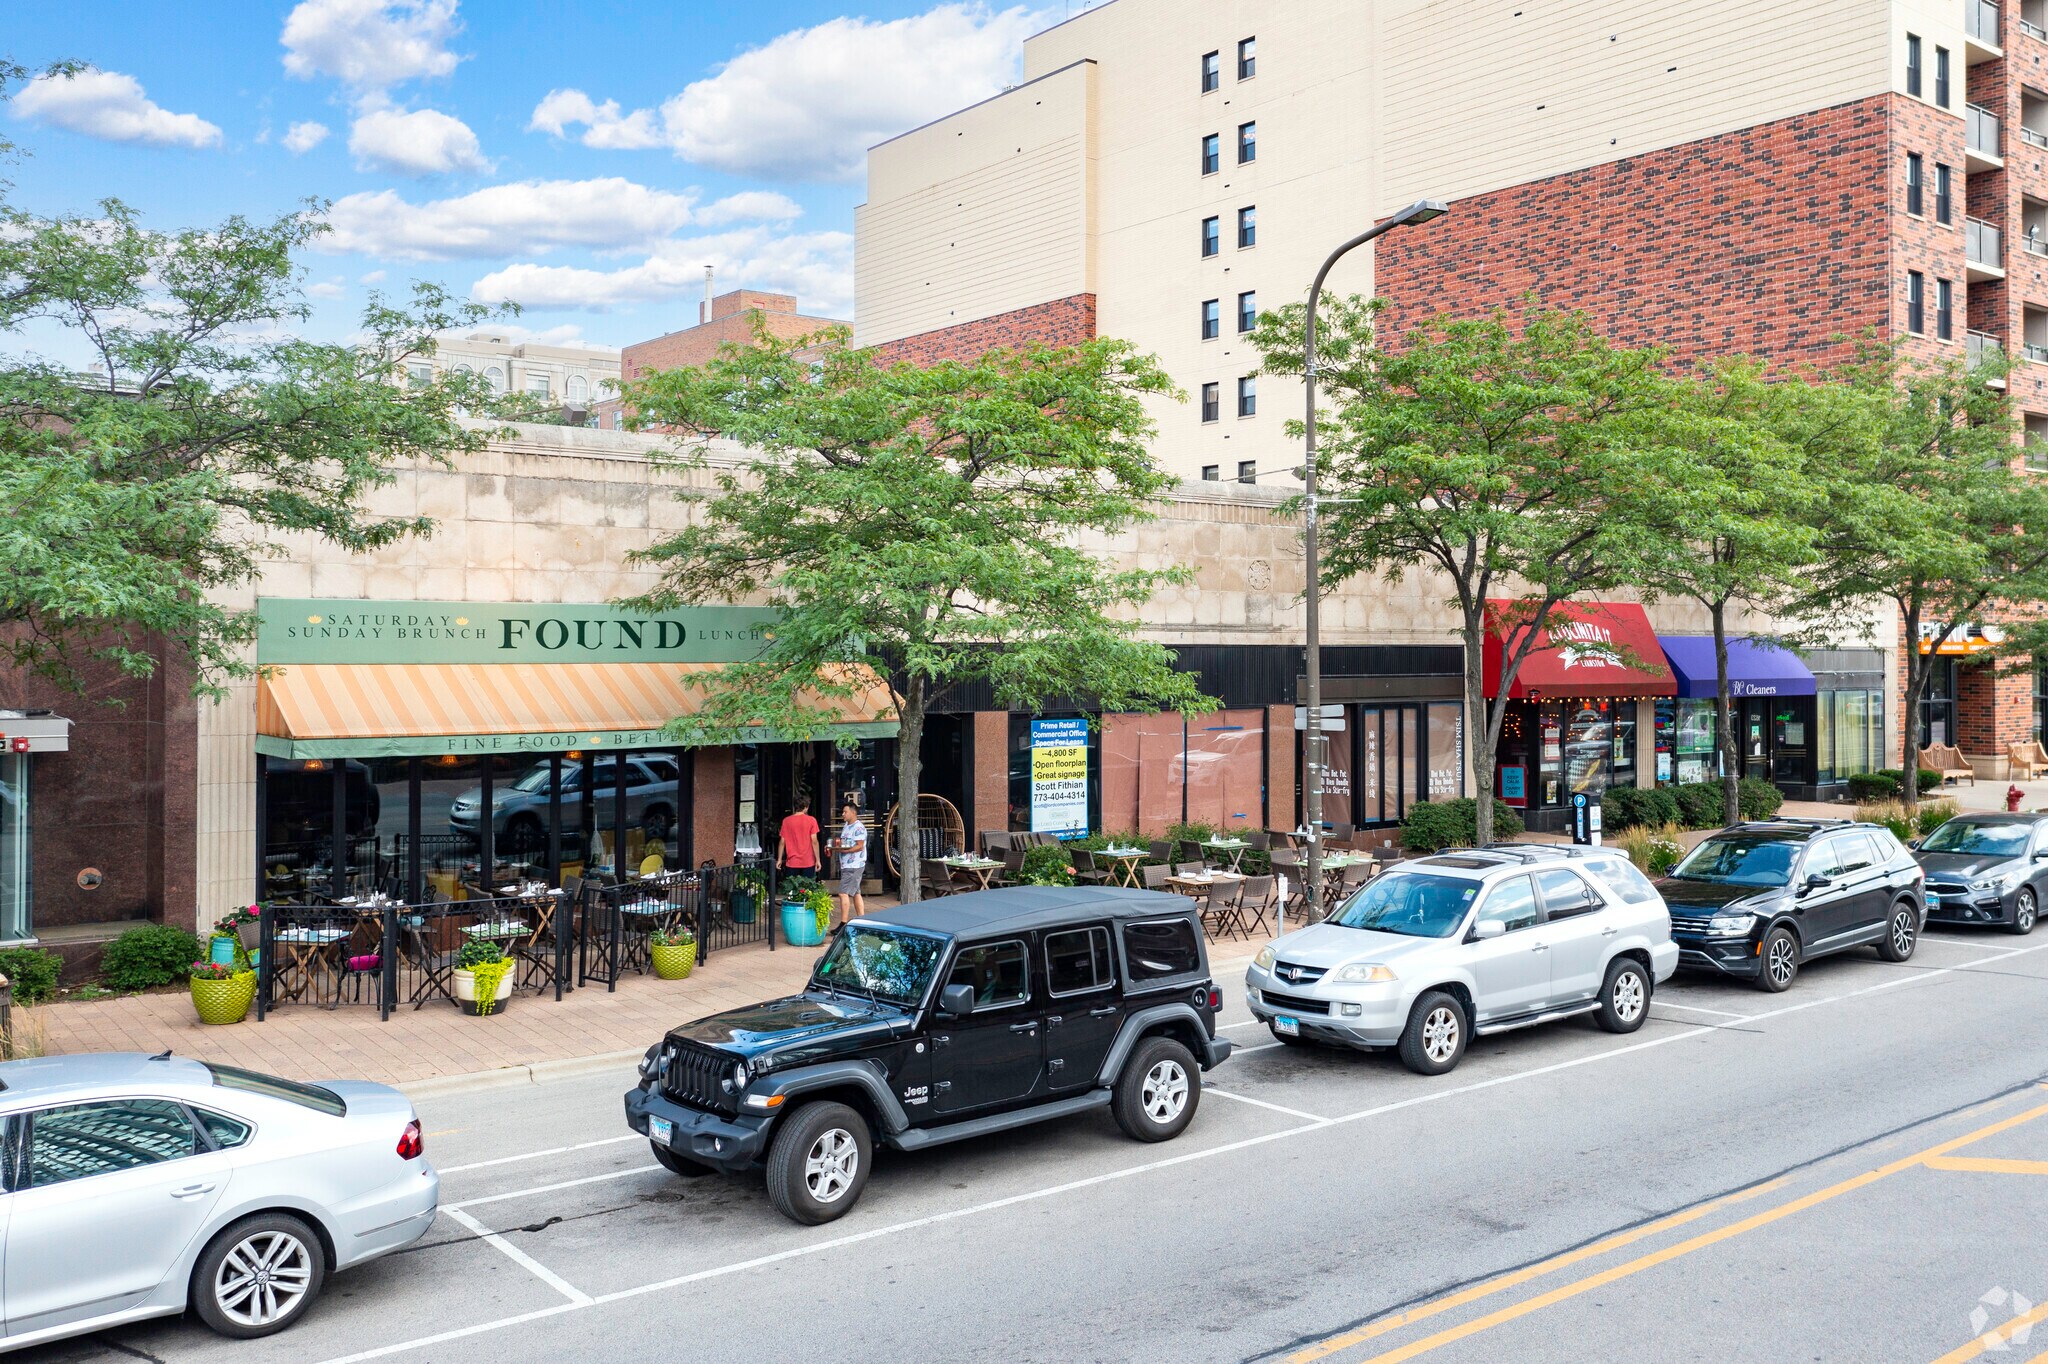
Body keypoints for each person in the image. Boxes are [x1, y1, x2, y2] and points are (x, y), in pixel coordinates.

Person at [835, 798, 868, 927]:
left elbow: (860, 846)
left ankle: (843, 923)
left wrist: (846, 850)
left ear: (853, 813)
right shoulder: (847, 825)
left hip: (853, 865)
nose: (843, 814)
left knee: (843, 893)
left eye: (845, 812)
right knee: (856, 892)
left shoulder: (859, 827)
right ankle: (863, 920)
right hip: (848, 864)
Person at [778, 796, 821, 881]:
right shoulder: (811, 820)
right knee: (807, 890)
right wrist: (818, 860)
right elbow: (814, 841)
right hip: (808, 861)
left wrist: (779, 859)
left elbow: (782, 842)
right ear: (806, 807)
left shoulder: (786, 821)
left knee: (791, 890)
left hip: (792, 861)